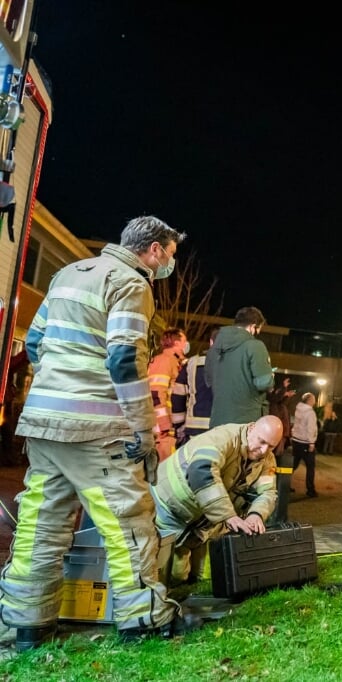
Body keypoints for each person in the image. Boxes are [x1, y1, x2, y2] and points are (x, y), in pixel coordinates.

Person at [0, 216, 195, 652]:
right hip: (97, 427)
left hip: (45, 423)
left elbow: (34, 343)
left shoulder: (68, 273)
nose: (170, 266)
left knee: (40, 523)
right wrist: (142, 429)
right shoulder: (131, 283)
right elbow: (125, 358)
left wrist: (57, 386)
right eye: (171, 255)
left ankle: (28, 624)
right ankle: (142, 617)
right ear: (155, 249)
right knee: (128, 522)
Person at [151, 415, 282, 586]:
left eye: (271, 446)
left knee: (202, 577)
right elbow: (202, 471)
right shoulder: (223, 437)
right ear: (251, 429)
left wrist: (256, 514)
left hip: (200, 519)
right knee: (170, 574)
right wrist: (228, 515)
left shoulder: (266, 458)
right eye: (261, 441)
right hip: (167, 508)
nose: (264, 450)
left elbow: (267, 492)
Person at [205, 307, 274, 428]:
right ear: (253, 327)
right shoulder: (255, 346)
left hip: (217, 420)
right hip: (247, 421)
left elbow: (209, 381)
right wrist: (271, 376)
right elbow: (264, 383)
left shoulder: (214, 350)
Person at [171, 329, 218, 446]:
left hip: (194, 430)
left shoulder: (192, 362)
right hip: (222, 430)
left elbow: (178, 396)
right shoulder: (234, 364)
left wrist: (179, 426)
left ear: (211, 342)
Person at [148, 327, 189, 461]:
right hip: (165, 430)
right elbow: (156, 393)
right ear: (177, 343)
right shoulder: (164, 361)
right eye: (184, 341)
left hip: (173, 427)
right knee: (164, 470)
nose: (186, 345)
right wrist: (164, 423)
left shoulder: (175, 362)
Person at [290, 392, 319, 498]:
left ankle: (285, 483)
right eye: (314, 399)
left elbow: (296, 424)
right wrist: (312, 442)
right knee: (310, 467)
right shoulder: (310, 413)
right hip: (306, 442)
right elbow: (311, 428)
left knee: (294, 464)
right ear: (309, 400)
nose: (314, 401)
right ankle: (310, 489)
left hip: (296, 440)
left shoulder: (298, 409)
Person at [267, 376, 295, 459]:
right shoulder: (271, 400)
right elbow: (276, 399)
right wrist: (284, 388)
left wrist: (286, 395)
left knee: (278, 452)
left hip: (282, 430)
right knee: (274, 453)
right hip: (276, 429)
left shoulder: (279, 404)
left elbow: (281, 402)